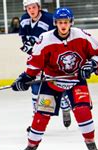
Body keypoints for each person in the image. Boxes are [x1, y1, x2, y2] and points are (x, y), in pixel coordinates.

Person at [11, 7, 98, 150]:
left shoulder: (81, 35)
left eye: (66, 22)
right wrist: (24, 78)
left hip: (75, 80)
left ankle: (90, 142)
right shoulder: (45, 39)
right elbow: (35, 63)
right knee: (41, 115)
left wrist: (92, 65)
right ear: (55, 23)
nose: (63, 25)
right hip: (52, 80)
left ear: (71, 23)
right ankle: (31, 146)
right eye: (60, 22)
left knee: (82, 110)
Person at [19, 0, 72, 132]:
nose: (31, 10)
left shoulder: (49, 19)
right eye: (29, 8)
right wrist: (29, 46)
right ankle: (35, 121)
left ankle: (65, 108)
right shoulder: (24, 19)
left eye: (34, 7)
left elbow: (58, 38)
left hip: (51, 60)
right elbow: (24, 38)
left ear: (39, 7)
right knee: (35, 90)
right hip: (36, 60)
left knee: (59, 87)